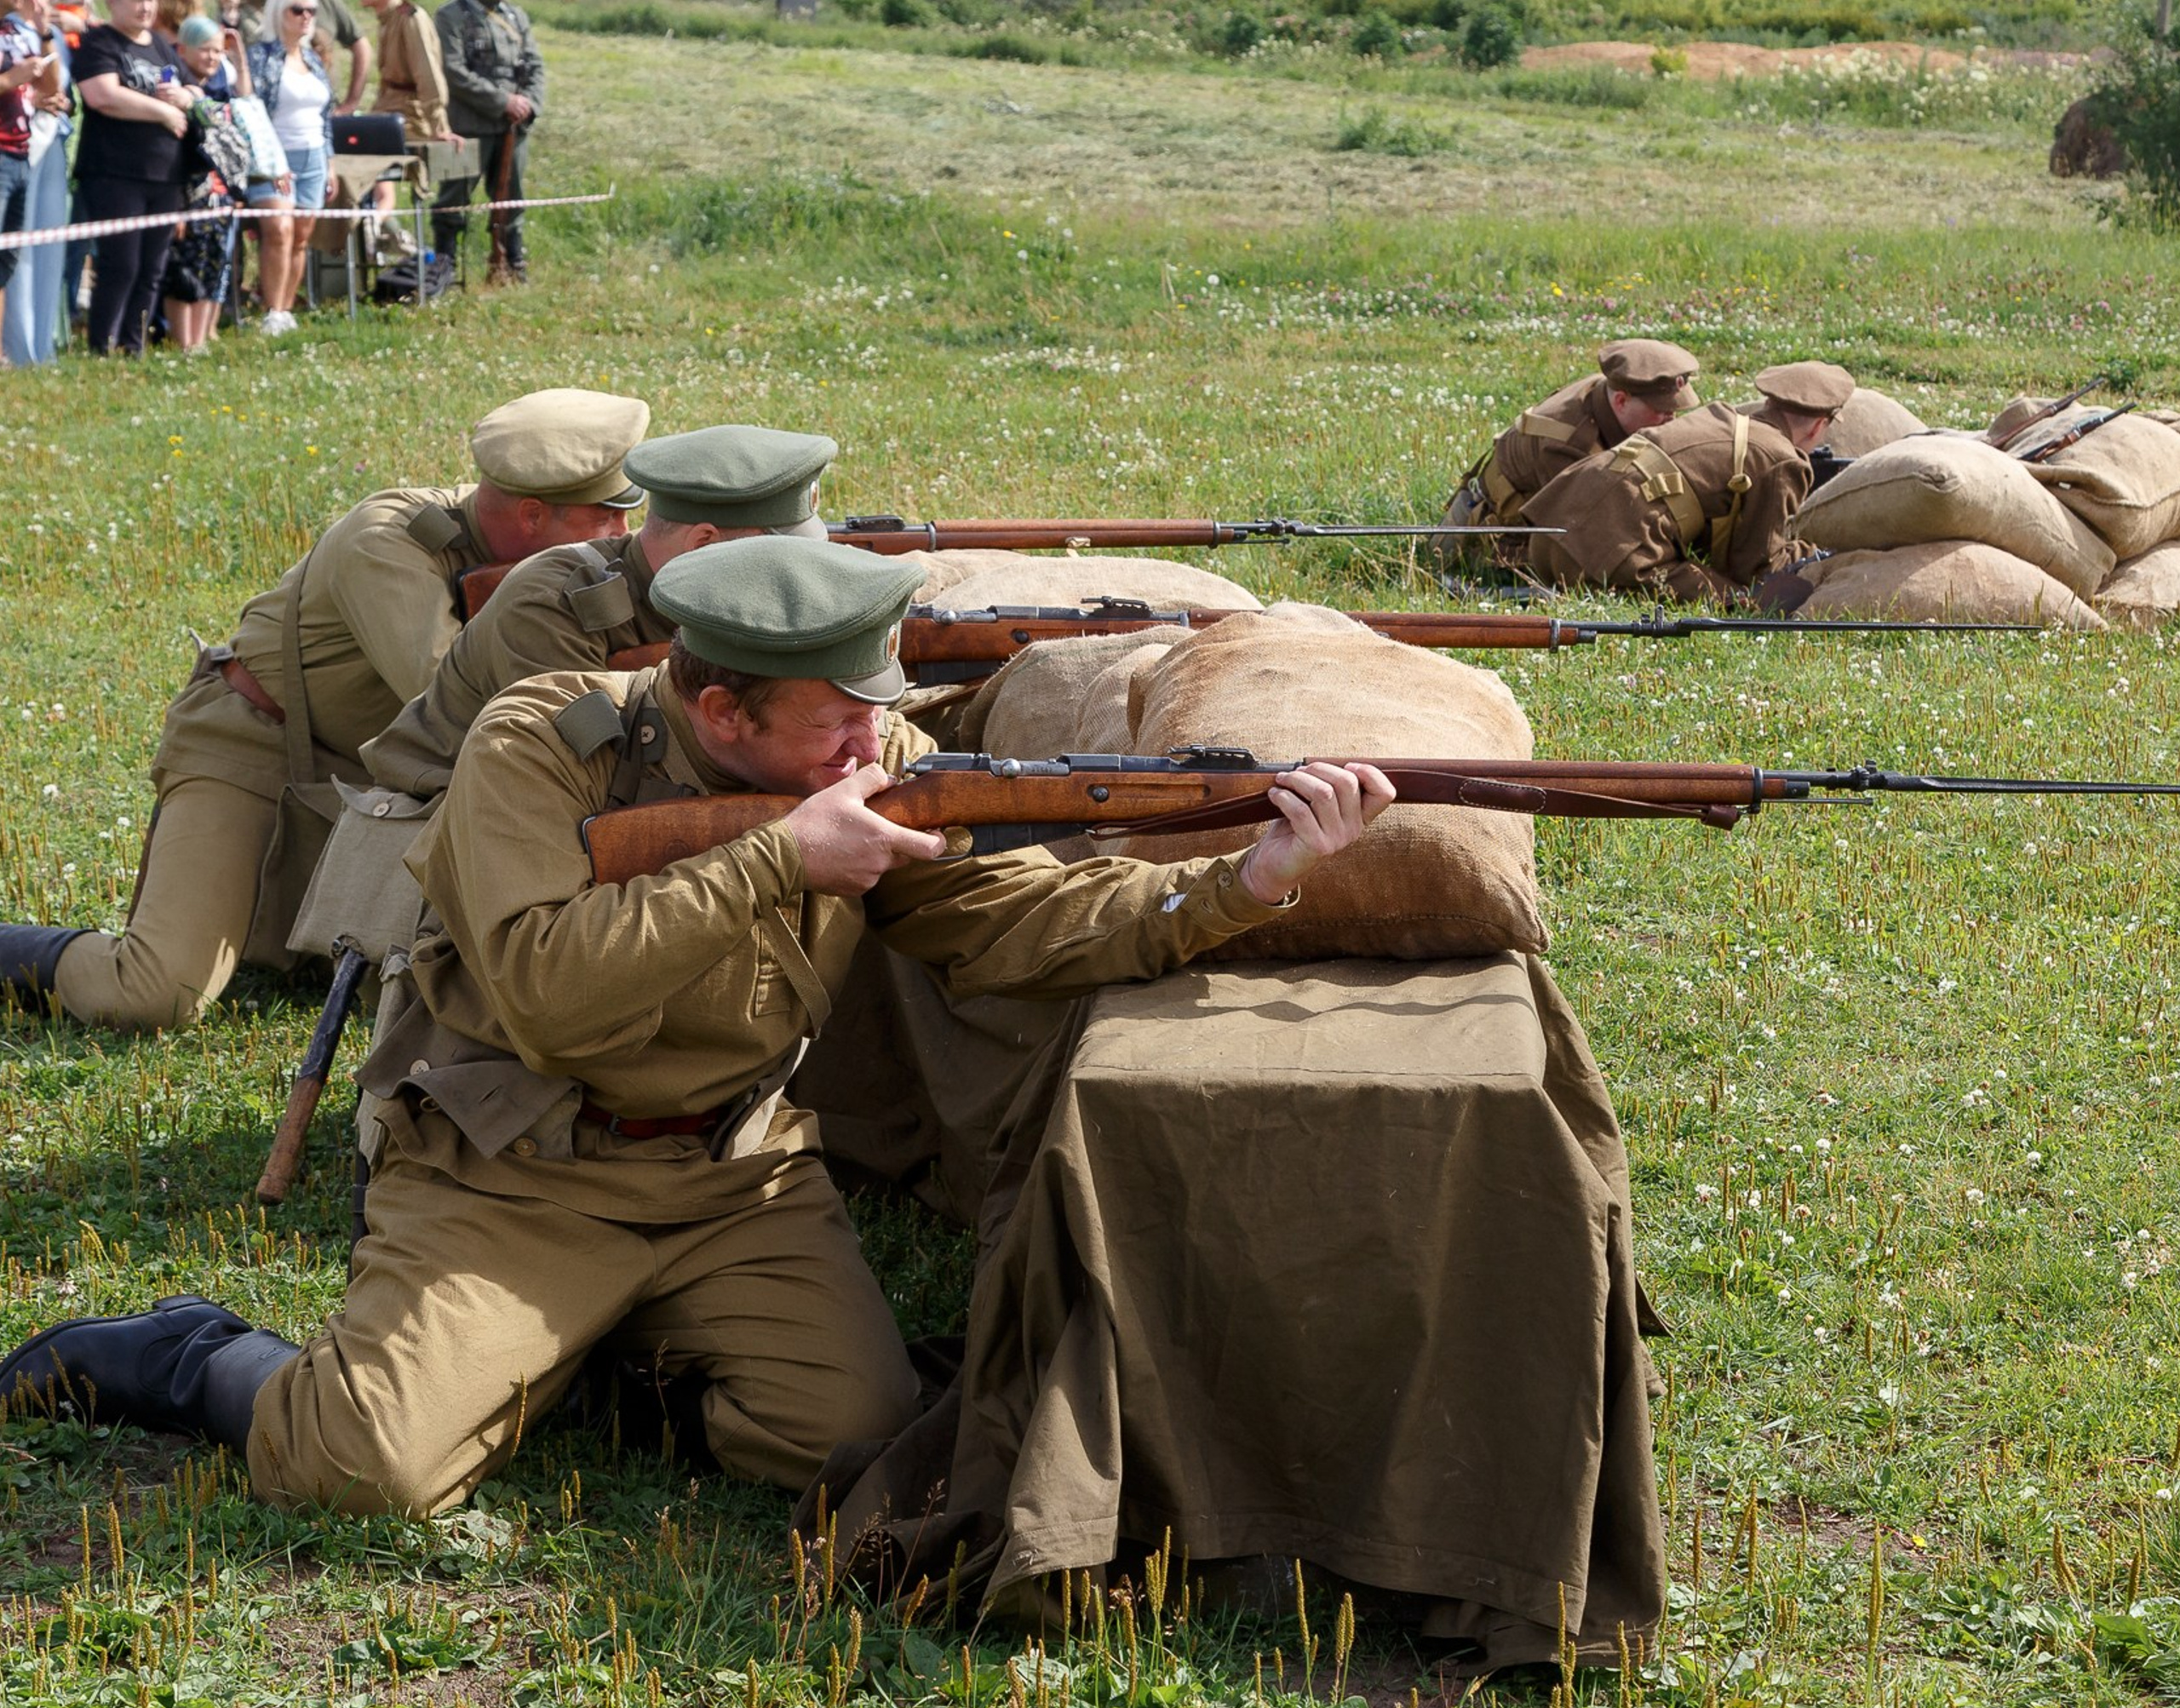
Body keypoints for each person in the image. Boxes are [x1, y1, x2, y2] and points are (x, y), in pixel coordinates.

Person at [0, 535, 1394, 1516]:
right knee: (360, 1467)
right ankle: (188, 1353)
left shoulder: (873, 759)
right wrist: (784, 860)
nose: (876, 752)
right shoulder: (540, 748)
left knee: (854, 1443)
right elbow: (548, 990)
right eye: (841, 726)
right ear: (720, 707)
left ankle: (566, 1362)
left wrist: (1236, 886)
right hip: (513, 1168)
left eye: (880, 719)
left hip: (732, 1177)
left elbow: (1003, 923)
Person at [0, 389, 649, 1029]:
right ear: (534, 515)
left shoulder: (550, 561)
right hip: (253, 750)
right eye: (607, 517)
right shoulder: (387, 542)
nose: (623, 535)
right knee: (157, 990)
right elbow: (457, 701)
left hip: (384, 784)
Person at [366, 424, 832, 796]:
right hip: (440, 819)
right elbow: (585, 774)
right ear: (704, 545)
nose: (785, 577)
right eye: (773, 559)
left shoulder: (721, 605)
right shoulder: (550, 605)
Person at [1513, 362, 1856, 604]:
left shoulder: (1724, 418)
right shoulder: (1781, 460)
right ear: (1818, 426)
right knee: (1742, 601)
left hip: (1551, 535)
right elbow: (1757, 568)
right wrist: (1819, 551)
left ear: (1770, 402)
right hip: (1608, 556)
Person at [1448, 341, 1703, 536]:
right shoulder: (1568, 443)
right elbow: (1581, 534)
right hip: (1504, 531)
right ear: (1622, 401)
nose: (1671, 420)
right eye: (1661, 411)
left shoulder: (1611, 390)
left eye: (1675, 411)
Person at [71, 0, 195, 356]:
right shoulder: (100, 43)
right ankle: (102, 346)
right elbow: (103, 95)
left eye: (150, 0)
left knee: (151, 268)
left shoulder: (158, 43)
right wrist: (162, 112)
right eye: (137, 0)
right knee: (120, 264)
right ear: (113, 2)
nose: (145, 8)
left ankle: (134, 344)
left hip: (165, 174)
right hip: (114, 172)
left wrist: (187, 99)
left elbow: (186, 83)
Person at [433, 0, 543, 279]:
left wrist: (528, 104)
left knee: (512, 197)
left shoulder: (516, 17)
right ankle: (445, 264)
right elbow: (453, 71)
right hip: (465, 126)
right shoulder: (450, 16)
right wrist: (503, 102)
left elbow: (535, 66)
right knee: (452, 197)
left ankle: (512, 261)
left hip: (512, 128)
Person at [1, 0, 72, 365]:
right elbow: (21, 80)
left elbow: (53, 83)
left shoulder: (19, 31)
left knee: (6, 258)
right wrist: (14, 80)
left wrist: (45, 31)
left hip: (21, 152)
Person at [246, 0, 335, 335]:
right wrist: (270, 160)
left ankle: (285, 307)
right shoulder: (260, 57)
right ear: (277, 14)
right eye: (297, 10)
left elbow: (326, 118)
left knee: (300, 236)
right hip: (272, 159)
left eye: (311, 11)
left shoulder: (314, 60)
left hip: (313, 156)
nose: (306, 18)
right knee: (278, 232)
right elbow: (251, 112)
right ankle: (270, 309)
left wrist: (330, 164)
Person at [162, 16, 250, 352]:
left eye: (217, 51)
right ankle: (183, 342)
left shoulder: (217, 90)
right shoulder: (174, 93)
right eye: (205, 50)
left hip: (219, 195)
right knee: (184, 268)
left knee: (214, 264)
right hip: (186, 194)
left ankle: (200, 342)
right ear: (183, 49)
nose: (212, 57)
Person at [356, 0, 450, 145]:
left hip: (409, 119)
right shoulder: (387, 19)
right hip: (387, 111)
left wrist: (438, 126)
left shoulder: (409, 18)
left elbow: (427, 73)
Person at [285, 0, 370, 112]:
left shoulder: (326, 2)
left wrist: (350, 104)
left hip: (325, 107)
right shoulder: (271, 5)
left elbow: (362, 47)